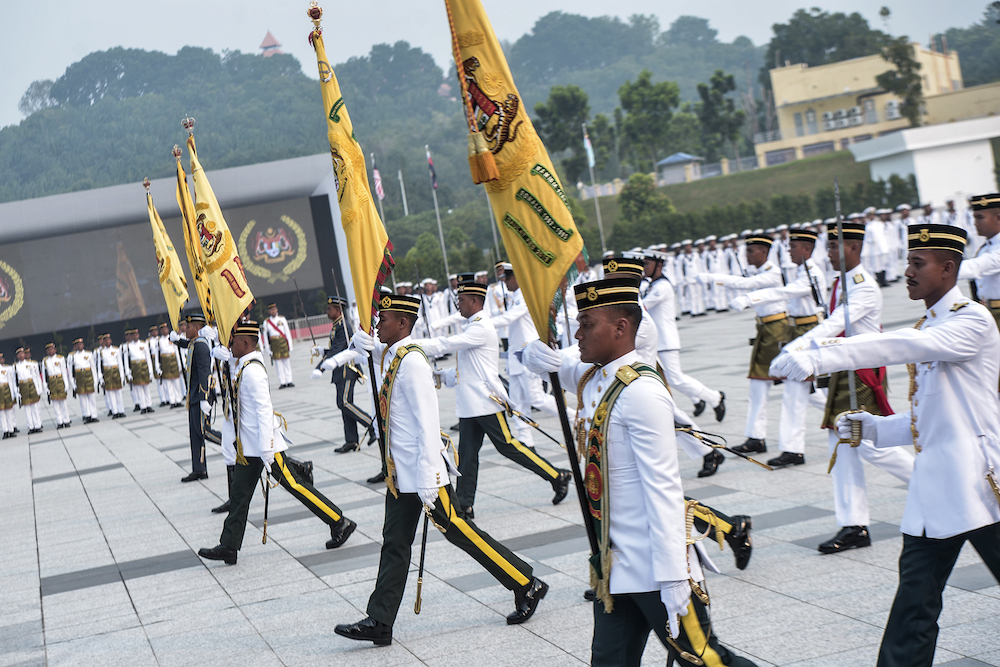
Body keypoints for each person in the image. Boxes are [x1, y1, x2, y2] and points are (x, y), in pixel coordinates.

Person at [775, 223, 1000, 667]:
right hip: (934, 493)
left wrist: (820, 354)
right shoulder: (931, 323)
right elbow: (930, 420)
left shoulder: (970, 320)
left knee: (917, 601)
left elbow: (901, 344)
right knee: (914, 604)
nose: (908, 271)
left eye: (919, 263)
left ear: (948, 268)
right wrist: (874, 429)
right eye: (908, 262)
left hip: (980, 486)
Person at [521, 277, 757, 667]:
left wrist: (674, 576)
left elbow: (664, 490)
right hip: (613, 566)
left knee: (705, 661)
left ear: (621, 328)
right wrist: (532, 353)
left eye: (586, 324)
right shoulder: (593, 375)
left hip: (653, 567)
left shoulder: (641, 392)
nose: (576, 334)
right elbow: (551, 362)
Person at [334, 294, 548, 646]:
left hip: (422, 473)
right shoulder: (392, 354)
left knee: (458, 530)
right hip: (399, 474)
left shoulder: (413, 362)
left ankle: (526, 582)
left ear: (403, 324)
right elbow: (377, 364)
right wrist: (363, 348)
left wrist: (432, 477)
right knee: (395, 543)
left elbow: (428, 422)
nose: (377, 325)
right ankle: (380, 620)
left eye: (383, 319)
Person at [771, 221, 914, 553]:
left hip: (861, 371)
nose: (830, 253)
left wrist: (798, 348)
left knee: (867, 443)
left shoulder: (863, 285)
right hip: (843, 368)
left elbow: (838, 323)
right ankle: (853, 525)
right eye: (829, 247)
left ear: (854, 248)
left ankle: (934, 483)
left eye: (836, 247)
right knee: (842, 443)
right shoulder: (842, 282)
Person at [198, 320, 357, 564]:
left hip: (263, 446)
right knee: (239, 495)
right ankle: (229, 545)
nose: (230, 346)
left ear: (245, 342)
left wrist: (267, 449)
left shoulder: (253, 371)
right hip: (248, 448)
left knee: (295, 485)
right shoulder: (244, 364)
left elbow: (264, 411)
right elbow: (231, 372)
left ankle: (339, 521)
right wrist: (218, 349)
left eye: (233, 342)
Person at [417, 279, 571, 518]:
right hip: (470, 404)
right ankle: (465, 504)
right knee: (467, 456)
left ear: (476, 301)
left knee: (508, 446)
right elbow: (466, 371)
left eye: (462, 299)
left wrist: (412, 345)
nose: (458, 303)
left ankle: (557, 475)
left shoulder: (481, 327)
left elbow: (446, 343)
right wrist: (438, 374)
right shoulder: (471, 326)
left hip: (486, 402)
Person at [730, 228, 828, 468]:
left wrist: (749, 299)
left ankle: (796, 448)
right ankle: (797, 447)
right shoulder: (801, 272)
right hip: (797, 332)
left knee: (800, 391)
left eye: (793, 247)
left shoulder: (811, 274)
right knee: (803, 391)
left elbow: (783, 292)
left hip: (809, 333)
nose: (789, 251)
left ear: (807, 249)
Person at [698, 234, 785, 454]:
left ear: (763, 252)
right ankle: (756, 437)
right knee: (759, 385)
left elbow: (744, 284)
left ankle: (757, 437)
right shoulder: (761, 272)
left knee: (802, 387)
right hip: (766, 329)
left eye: (750, 251)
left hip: (777, 330)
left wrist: (711, 278)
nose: (746, 255)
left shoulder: (772, 273)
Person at [640, 250, 725, 423]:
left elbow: (642, 306)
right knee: (661, 379)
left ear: (659, 265)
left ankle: (714, 398)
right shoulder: (652, 285)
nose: (644, 267)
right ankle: (695, 401)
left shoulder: (661, 287)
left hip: (666, 341)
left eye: (647, 264)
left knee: (676, 379)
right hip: (657, 341)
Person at [489, 266, 559, 447]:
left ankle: (574, 419)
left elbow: (507, 319)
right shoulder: (514, 298)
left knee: (537, 398)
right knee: (518, 404)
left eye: (507, 278)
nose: (505, 282)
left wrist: (482, 324)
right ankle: (526, 442)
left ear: (518, 277)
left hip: (528, 356)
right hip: (515, 359)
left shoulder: (525, 297)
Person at [311, 295, 375, 452]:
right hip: (340, 370)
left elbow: (338, 350)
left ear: (338, 310)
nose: (327, 311)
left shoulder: (343, 326)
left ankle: (372, 424)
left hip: (347, 369)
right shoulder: (337, 325)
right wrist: (322, 351)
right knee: (344, 405)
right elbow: (337, 348)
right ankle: (351, 440)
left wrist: (320, 367)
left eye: (329, 309)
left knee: (344, 403)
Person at [959, 193, 1000, 352]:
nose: (975, 223)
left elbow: (977, 267)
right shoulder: (986, 247)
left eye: (980, 217)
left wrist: (939, 271)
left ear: (998, 218)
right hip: (989, 312)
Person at [178, 313, 214, 482]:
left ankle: (234, 447)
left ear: (198, 329)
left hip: (200, 396)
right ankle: (199, 469)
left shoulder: (200, 346)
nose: (185, 329)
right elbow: (186, 344)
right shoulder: (194, 343)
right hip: (193, 397)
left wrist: (204, 398)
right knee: (195, 434)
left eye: (189, 326)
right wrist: (175, 340)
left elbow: (204, 373)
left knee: (204, 431)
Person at [261, 303, 295, 388]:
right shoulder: (267, 322)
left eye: (274, 309)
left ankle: (289, 380)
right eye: (271, 310)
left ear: (277, 310)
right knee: (278, 363)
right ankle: (282, 382)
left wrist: (290, 344)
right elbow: (265, 336)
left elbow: (287, 332)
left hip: (282, 341)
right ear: (269, 311)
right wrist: (267, 349)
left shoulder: (282, 319)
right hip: (274, 343)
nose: (273, 311)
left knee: (286, 362)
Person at [67, 339, 99, 425]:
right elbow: (70, 371)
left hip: (88, 375)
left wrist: (95, 380)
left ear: (83, 345)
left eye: (80, 344)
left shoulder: (89, 354)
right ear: (74, 347)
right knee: (83, 399)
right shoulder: (72, 356)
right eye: (77, 345)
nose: (79, 346)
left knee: (91, 397)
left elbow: (93, 368)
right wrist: (72, 383)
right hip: (79, 377)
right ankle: (86, 415)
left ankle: (94, 415)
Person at [124, 328, 156, 414]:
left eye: (136, 334)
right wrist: (128, 373)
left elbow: (148, 358)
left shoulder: (144, 344)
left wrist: (150, 371)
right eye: (133, 335)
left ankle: (149, 405)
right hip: (135, 367)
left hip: (144, 366)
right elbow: (127, 361)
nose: (135, 336)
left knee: (146, 387)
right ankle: (143, 406)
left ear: (138, 335)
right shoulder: (128, 346)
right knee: (138, 388)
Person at [155, 322, 186, 408]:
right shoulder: (158, 341)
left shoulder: (172, 338)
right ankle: (172, 401)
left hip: (173, 360)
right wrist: (157, 367)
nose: (164, 330)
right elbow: (157, 356)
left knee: (176, 382)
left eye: (165, 328)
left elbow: (177, 351)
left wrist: (180, 364)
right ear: (160, 331)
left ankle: (178, 400)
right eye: (162, 329)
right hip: (165, 362)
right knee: (168, 384)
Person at [42, 343, 72, 429]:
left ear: (55, 350)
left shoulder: (60, 358)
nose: (50, 351)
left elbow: (64, 372)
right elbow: (44, 376)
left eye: (52, 349)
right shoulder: (45, 361)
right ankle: (59, 421)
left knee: (63, 402)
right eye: (48, 349)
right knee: (55, 403)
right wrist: (45, 387)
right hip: (51, 382)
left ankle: (66, 420)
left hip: (59, 380)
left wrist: (66, 384)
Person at [14, 347, 44, 433]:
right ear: (17, 356)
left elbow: (36, 377)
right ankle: (31, 427)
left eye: (22, 354)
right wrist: (17, 392)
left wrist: (39, 388)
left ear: (25, 354)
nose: (21, 355)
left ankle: (37, 425)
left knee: (34, 406)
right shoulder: (15, 366)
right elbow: (15, 380)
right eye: (19, 354)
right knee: (27, 408)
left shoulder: (31, 364)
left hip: (31, 385)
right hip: (23, 386)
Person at [96, 334, 126, 419]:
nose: (107, 342)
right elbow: (99, 366)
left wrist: (122, 375)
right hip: (107, 372)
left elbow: (120, 363)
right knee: (110, 393)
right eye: (105, 340)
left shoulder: (116, 350)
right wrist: (100, 378)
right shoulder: (101, 352)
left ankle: (121, 410)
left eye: (108, 340)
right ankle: (115, 411)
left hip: (115, 370)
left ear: (111, 340)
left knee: (118, 392)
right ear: (103, 342)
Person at [0, 353, 19, 437]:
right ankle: (5, 431)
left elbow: (11, 381)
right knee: (2, 412)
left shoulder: (7, 368)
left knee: (9, 411)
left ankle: (11, 430)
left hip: (6, 389)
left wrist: (13, 393)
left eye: (1, 358)